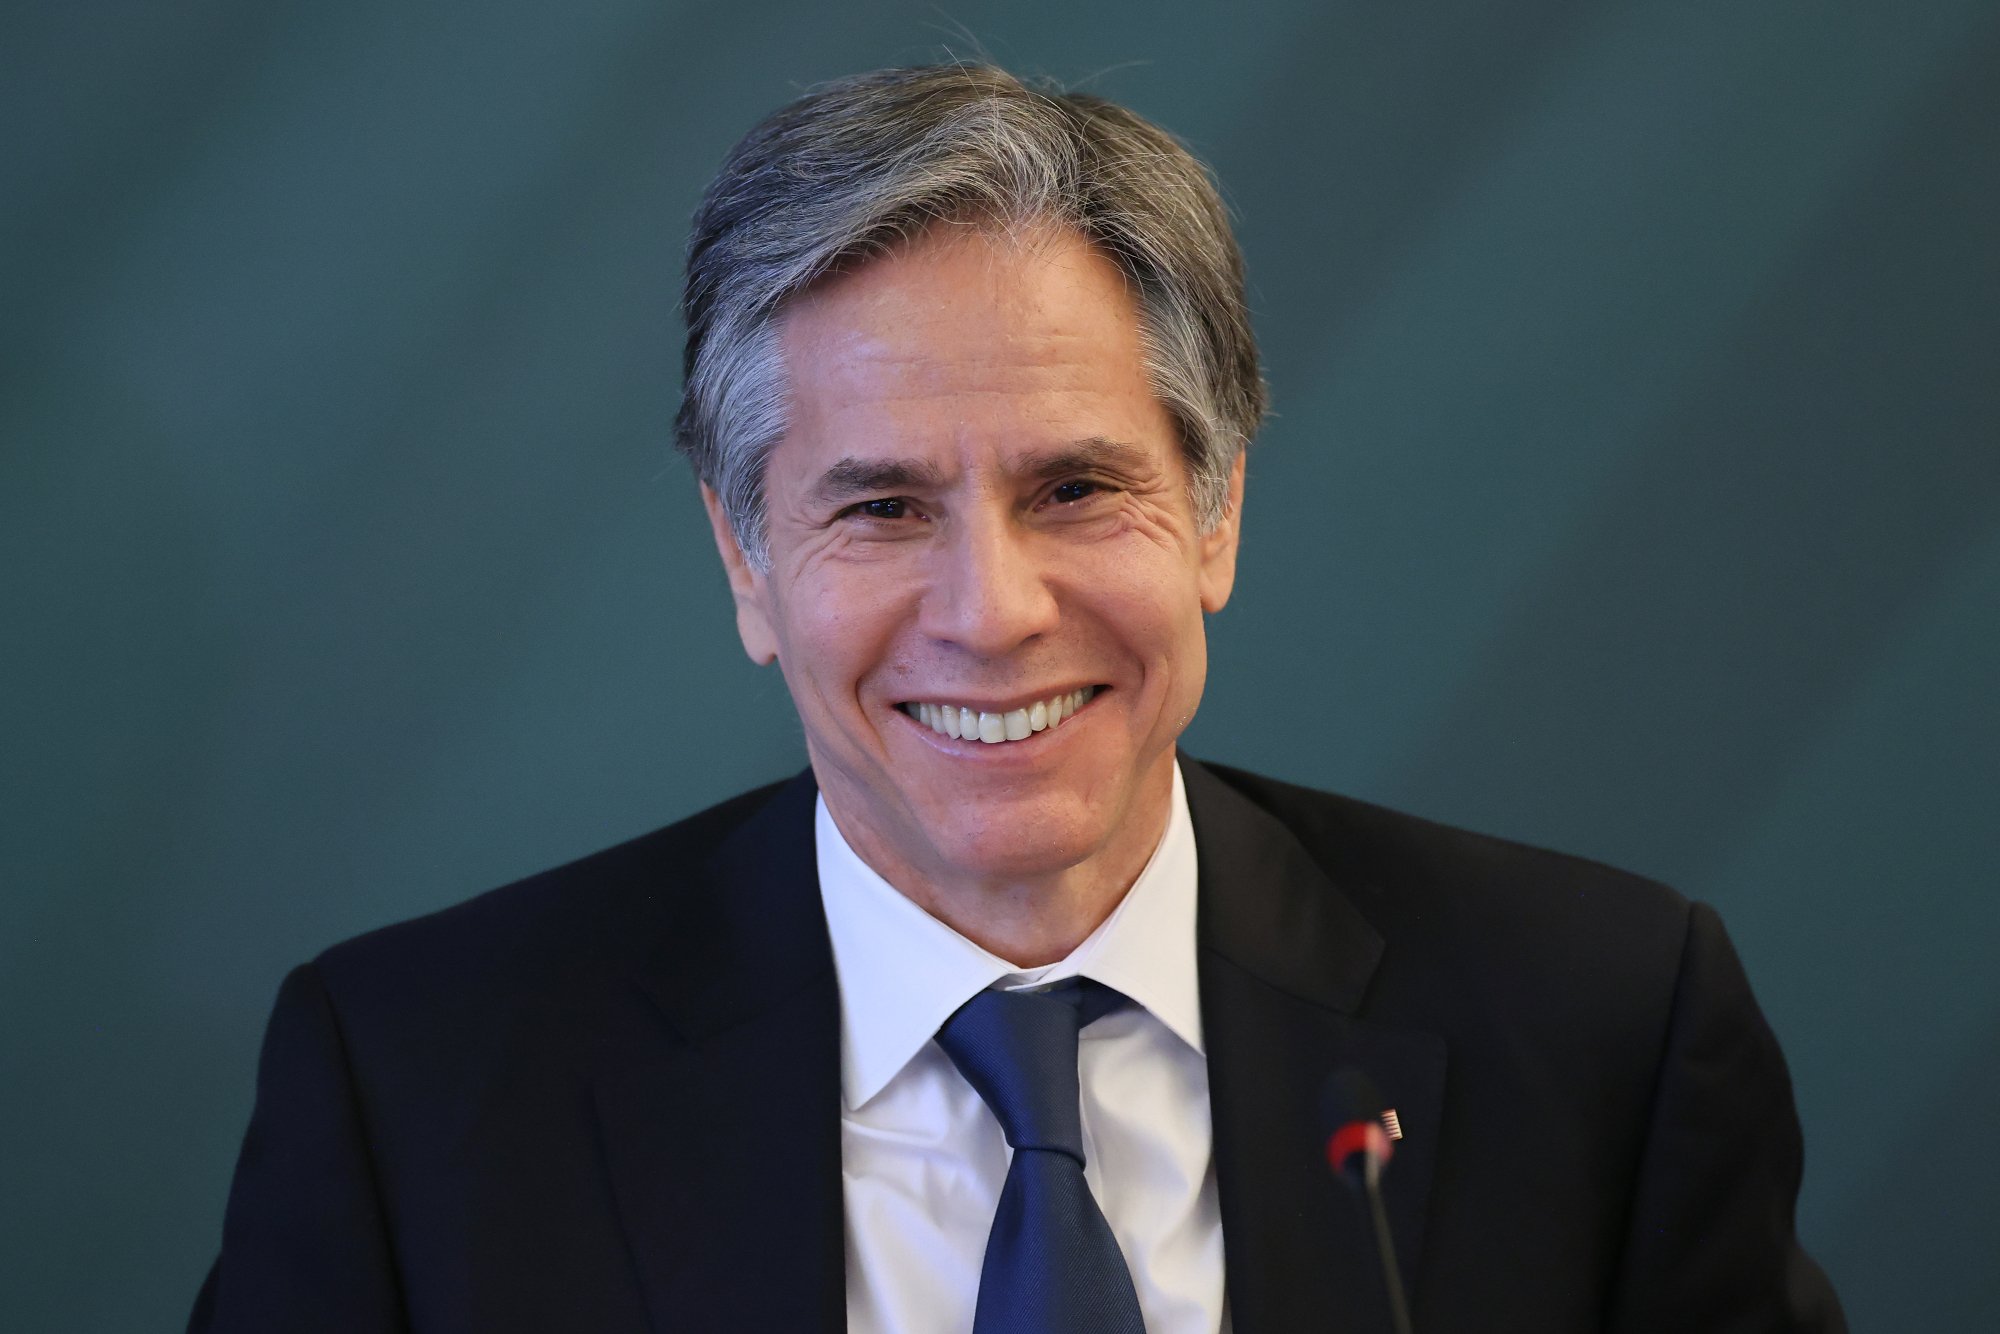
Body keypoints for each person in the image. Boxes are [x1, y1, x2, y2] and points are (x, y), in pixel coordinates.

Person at [190, 64, 1845, 1333]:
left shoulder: (1606, 1028)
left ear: (1217, 514)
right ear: (747, 561)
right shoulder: (420, 1088)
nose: (992, 614)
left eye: (1074, 489)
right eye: (882, 507)